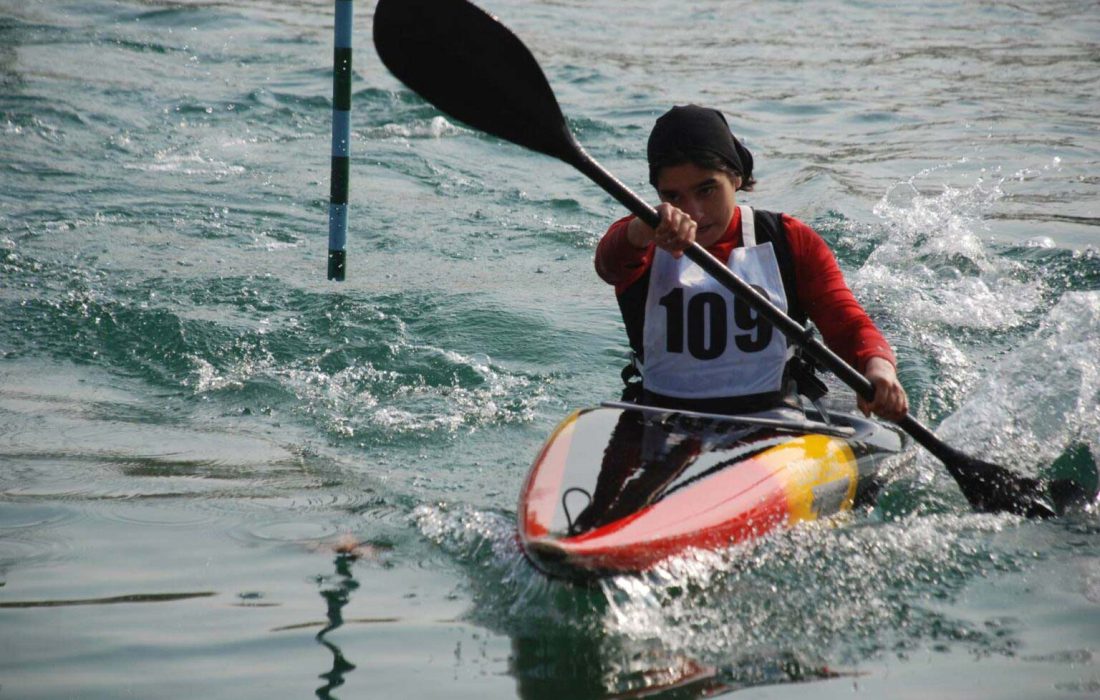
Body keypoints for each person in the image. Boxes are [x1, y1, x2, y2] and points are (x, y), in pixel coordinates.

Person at [595, 105, 908, 421]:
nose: (694, 211)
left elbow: (847, 326)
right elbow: (608, 264)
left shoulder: (788, 240)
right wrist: (642, 229)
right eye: (673, 197)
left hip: (771, 416)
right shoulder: (640, 240)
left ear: (735, 178)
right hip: (658, 415)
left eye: (707, 190)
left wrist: (878, 367)